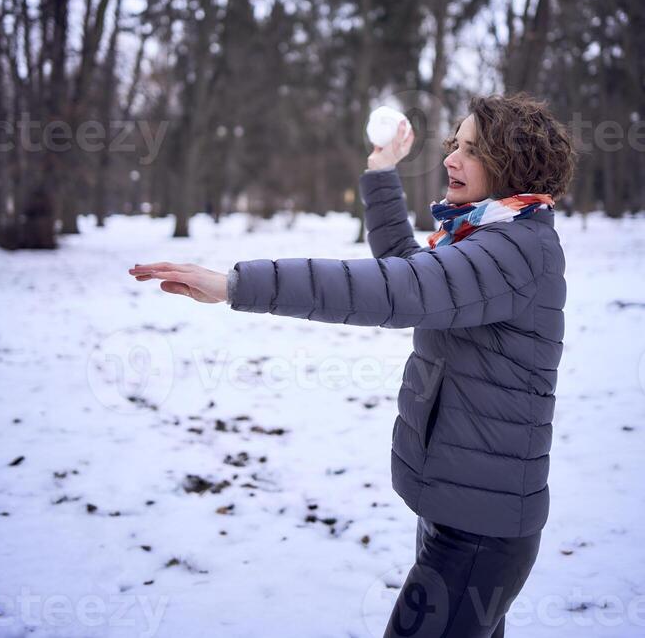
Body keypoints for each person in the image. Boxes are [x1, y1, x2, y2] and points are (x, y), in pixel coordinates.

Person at [128, 91, 577, 637]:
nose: (450, 159)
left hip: (481, 532)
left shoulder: (515, 248)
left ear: (513, 162)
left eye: (473, 150)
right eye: (454, 144)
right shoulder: (488, 237)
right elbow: (413, 273)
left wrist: (235, 285)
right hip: (460, 508)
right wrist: (382, 173)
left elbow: (401, 289)